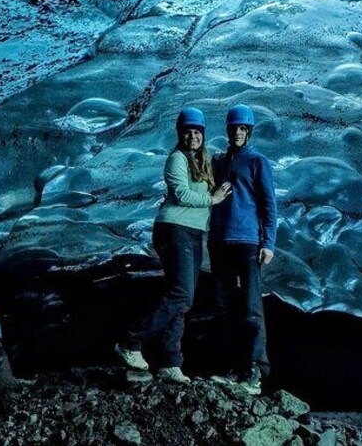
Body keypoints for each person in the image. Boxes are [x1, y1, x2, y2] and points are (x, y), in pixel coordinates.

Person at [116, 107, 232, 383]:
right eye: (188, 132)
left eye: (197, 132)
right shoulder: (176, 159)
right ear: (180, 134)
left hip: (192, 232)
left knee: (182, 297)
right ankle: (130, 341)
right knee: (180, 293)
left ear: (203, 135)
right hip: (173, 229)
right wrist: (212, 200)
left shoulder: (202, 160)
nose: (193, 136)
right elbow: (181, 194)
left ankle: (170, 362)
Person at [208, 104, 277, 395]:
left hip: (248, 241)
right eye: (234, 128)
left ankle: (255, 372)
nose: (237, 132)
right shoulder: (218, 161)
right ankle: (235, 368)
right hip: (219, 242)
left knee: (250, 308)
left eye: (242, 129)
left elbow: (268, 204)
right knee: (225, 308)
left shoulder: (258, 162)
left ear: (248, 132)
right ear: (228, 130)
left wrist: (268, 243)